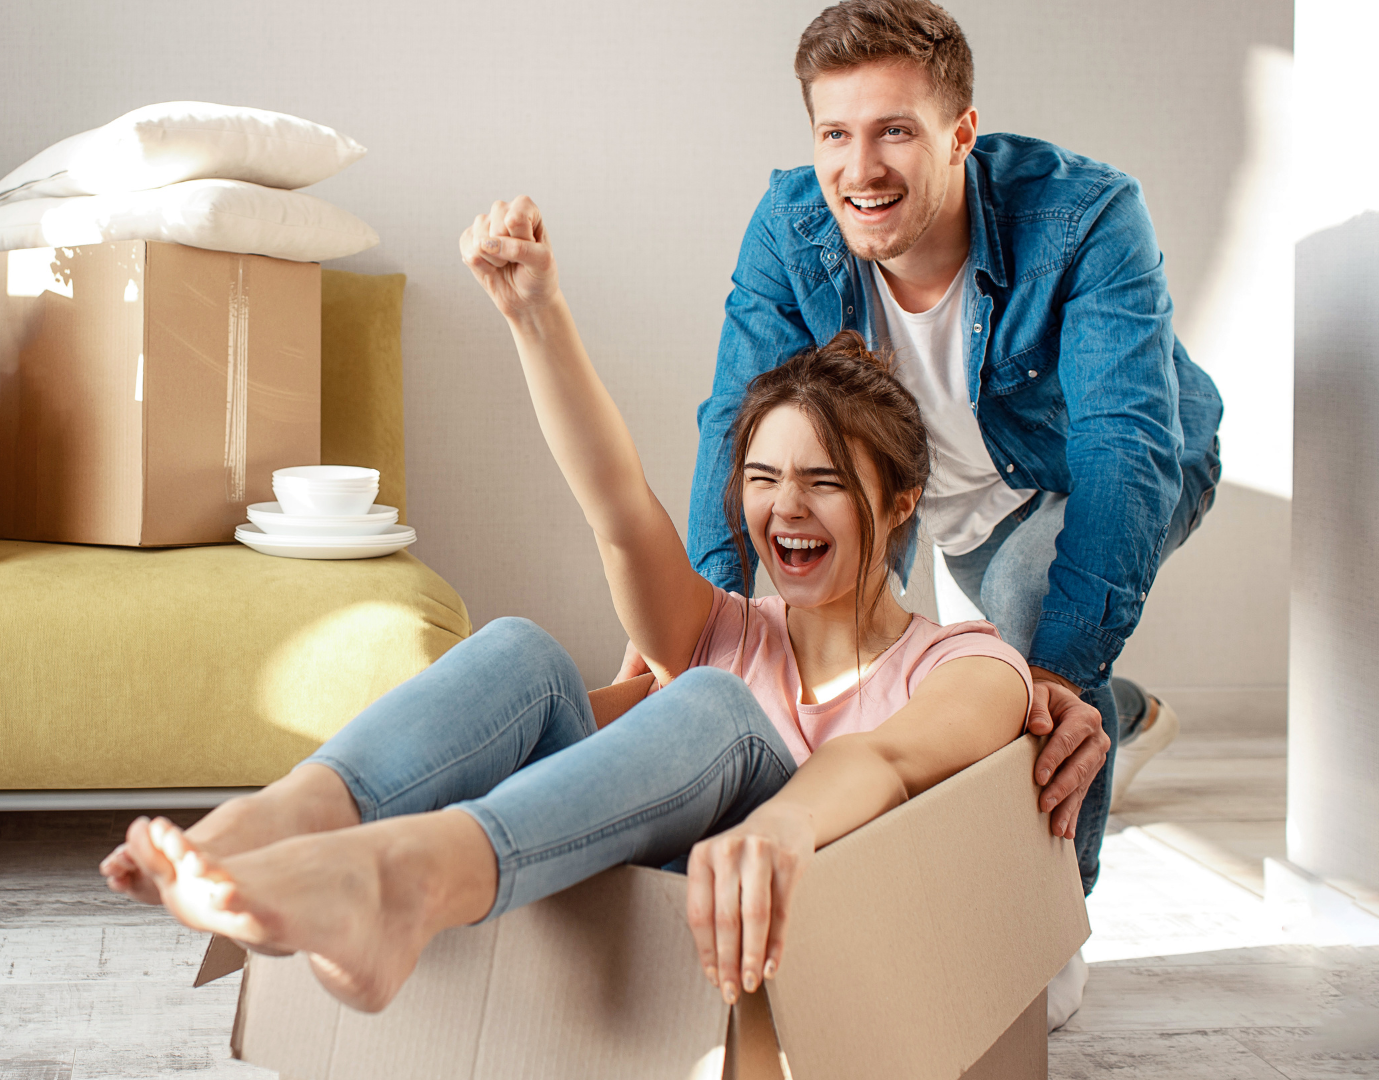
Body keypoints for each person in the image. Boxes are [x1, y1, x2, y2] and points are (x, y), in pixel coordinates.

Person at [100, 197, 1037, 1016]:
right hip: (598, 884)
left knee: (712, 704)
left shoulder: (967, 665)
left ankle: (411, 882)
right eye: (761, 478)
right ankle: (281, 822)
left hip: (769, 943)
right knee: (522, 652)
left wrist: (781, 823)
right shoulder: (721, 628)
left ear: (901, 502)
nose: (784, 507)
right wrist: (534, 312)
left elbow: (883, 756)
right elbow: (619, 507)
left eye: (822, 482)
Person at [600, 0, 1223, 1022]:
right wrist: (701, 620)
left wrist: (1060, 674)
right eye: (836, 133)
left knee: (1027, 643)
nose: (862, 169)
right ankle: (1111, 711)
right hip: (925, 491)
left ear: (961, 134)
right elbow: (738, 421)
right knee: (852, 649)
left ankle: (1046, 918)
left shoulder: (1089, 217)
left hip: (1089, 469)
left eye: (895, 130)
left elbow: (1126, 452)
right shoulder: (795, 225)